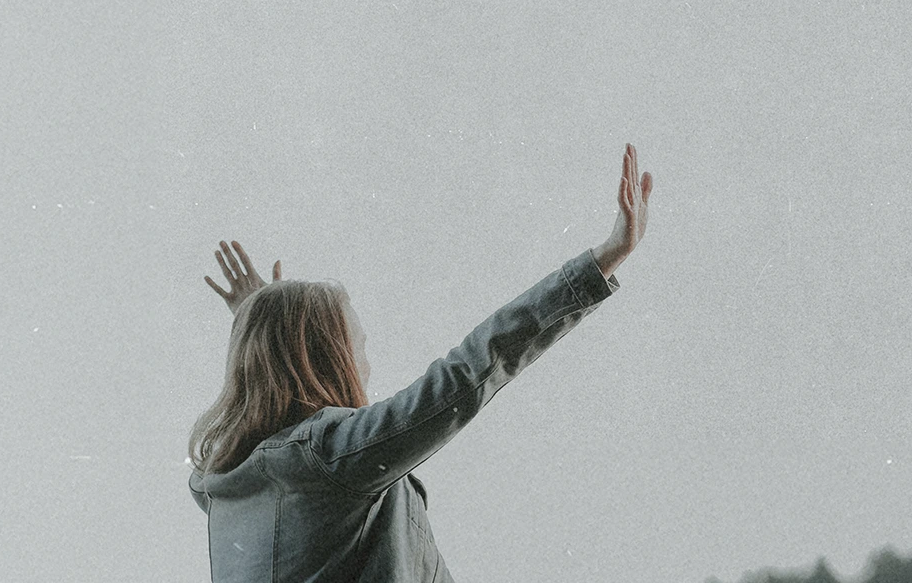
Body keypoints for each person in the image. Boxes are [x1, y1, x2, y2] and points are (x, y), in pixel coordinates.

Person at [188, 143, 653, 582]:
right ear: (328, 359)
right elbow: (472, 368)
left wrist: (261, 322)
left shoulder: (223, 487)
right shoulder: (335, 457)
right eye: (358, 346)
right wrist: (602, 263)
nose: (365, 365)